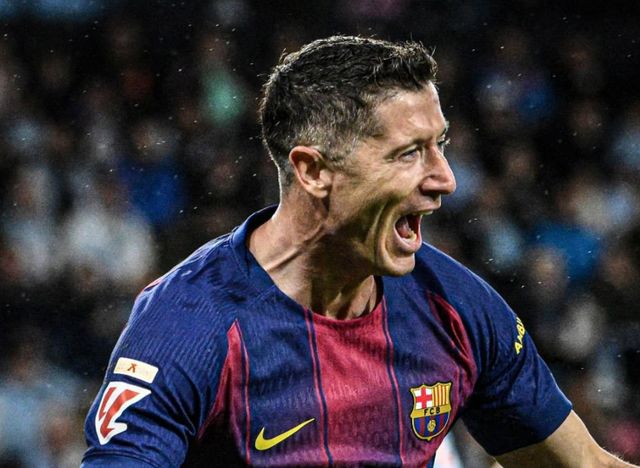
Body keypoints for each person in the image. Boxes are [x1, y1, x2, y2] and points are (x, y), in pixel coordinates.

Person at [82, 36, 635, 467]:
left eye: (439, 145)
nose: (445, 179)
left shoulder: (456, 308)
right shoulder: (188, 326)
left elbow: (583, 464)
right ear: (313, 171)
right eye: (409, 153)